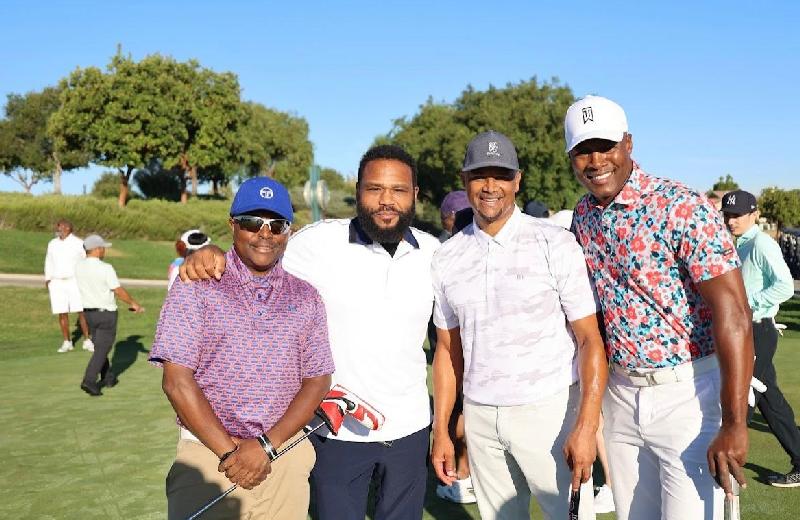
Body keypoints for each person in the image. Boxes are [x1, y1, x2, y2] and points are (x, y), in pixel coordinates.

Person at [181, 145, 440, 520]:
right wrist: (212, 253)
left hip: (411, 429)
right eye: (374, 189)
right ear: (357, 190)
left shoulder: (434, 253)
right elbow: (258, 252)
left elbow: (448, 343)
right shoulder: (317, 243)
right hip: (333, 431)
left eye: (398, 190)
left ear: (415, 195)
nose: (386, 200)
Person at [565, 95, 754, 519]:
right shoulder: (583, 216)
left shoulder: (680, 205)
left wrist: (735, 422)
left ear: (628, 144)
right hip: (620, 395)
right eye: (582, 150)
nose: (595, 160)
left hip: (688, 394)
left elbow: (735, 314)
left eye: (605, 145)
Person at [430, 130, 607, 519]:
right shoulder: (446, 258)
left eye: (501, 175)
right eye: (479, 176)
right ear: (464, 181)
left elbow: (590, 340)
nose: (490, 186)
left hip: (551, 410)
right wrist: (441, 427)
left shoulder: (554, 243)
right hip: (480, 416)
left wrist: (587, 425)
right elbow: (447, 351)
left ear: (517, 180)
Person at [150, 177, 335, 519]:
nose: (265, 233)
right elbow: (176, 380)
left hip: (283, 451)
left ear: (288, 232)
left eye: (276, 224)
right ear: (232, 225)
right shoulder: (196, 285)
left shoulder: (306, 297)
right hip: (208, 454)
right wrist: (230, 453)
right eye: (252, 222)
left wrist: (264, 446)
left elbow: (317, 380)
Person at [721, 189, 800, 487]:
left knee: (743, 395)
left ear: (754, 214)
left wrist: (748, 303)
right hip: (747, 329)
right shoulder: (740, 245)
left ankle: (726, 461)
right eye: (727, 215)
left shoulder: (761, 244)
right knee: (770, 401)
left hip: (758, 330)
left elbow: (784, 287)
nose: (731, 221)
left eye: (737, 215)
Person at [549, 209, 615, 514]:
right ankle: (612, 484)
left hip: (602, 357)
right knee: (600, 423)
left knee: (599, 423)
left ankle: (612, 485)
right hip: (589, 358)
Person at [431, 189, 477, 505]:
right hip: (460, 354)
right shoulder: (447, 257)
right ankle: (463, 473)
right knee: (459, 419)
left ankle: (464, 474)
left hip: (467, 357)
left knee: (460, 420)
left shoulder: (448, 257)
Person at [74, 234, 144, 396]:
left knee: (100, 347)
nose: (104, 250)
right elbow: (118, 290)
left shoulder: (78, 266)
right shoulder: (106, 268)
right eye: (103, 247)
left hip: (88, 314)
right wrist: (134, 304)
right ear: (97, 249)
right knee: (102, 350)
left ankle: (108, 377)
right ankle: (89, 381)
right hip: (106, 315)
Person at [45, 219, 92, 353]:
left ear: (67, 228)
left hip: (74, 281)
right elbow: (49, 261)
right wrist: (48, 278)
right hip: (57, 282)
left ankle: (87, 340)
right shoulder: (52, 244)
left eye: (60, 227)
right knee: (62, 312)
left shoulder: (78, 243)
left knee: (81, 311)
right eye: (57, 226)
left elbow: (86, 261)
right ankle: (67, 342)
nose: (58, 229)